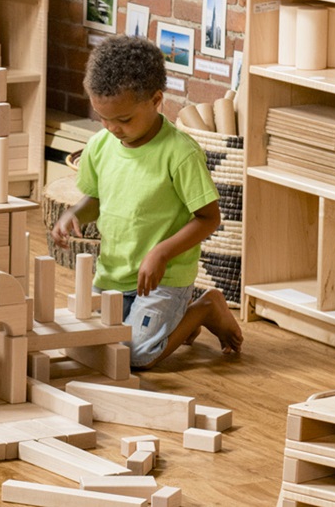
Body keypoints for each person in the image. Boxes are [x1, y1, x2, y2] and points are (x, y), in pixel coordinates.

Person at [50, 35, 243, 369]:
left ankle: (206, 308)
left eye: (123, 120)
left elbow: (209, 218)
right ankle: (175, 324)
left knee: (135, 355)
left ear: (156, 100)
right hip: (113, 274)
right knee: (95, 344)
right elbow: (95, 198)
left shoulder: (180, 153)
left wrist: (161, 252)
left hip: (164, 278)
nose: (112, 128)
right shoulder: (100, 145)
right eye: (102, 118)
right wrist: (74, 213)